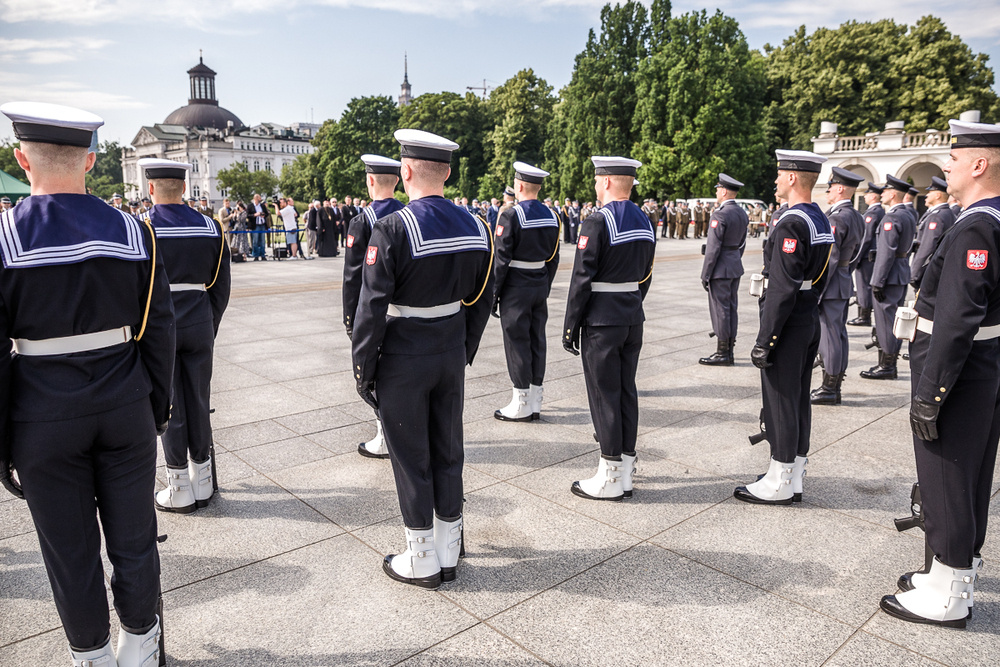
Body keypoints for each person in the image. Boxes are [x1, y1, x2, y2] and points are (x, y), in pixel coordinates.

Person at [0, 101, 174, 667]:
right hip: (125, 401)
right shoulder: (134, 229)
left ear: (22, 159)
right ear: (92, 162)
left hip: (41, 412)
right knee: (135, 538)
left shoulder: (4, 236)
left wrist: (4, 440)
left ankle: (92, 655)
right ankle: (141, 646)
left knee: (69, 552)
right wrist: (155, 407)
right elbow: (158, 329)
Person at [352, 129, 493, 589]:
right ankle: (450, 547)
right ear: (448, 172)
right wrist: (464, 348)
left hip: (404, 353)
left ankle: (422, 557)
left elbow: (371, 307)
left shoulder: (391, 228)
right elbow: (482, 297)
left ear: (406, 171)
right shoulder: (477, 225)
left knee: (411, 457)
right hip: (451, 346)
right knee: (448, 450)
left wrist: (364, 369)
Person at [879, 117, 1000, 628]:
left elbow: (956, 319)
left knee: (946, 472)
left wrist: (932, 392)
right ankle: (958, 569)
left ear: (979, 163)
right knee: (970, 473)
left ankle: (949, 592)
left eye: (953, 157)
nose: (945, 164)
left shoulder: (976, 224)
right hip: (983, 363)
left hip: (959, 365)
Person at [736, 149, 833, 505]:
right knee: (797, 400)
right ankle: (792, 474)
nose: (776, 180)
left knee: (780, 400)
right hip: (808, 315)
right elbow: (820, 276)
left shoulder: (792, 222)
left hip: (789, 322)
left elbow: (782, 286)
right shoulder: (818, 218)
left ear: (792, 178)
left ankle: (779, 478)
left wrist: (767, 338)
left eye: (780, 174)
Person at [137, 158, 231, 514]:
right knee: (199, 399)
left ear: (151, 189)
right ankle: (203, 479)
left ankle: (179, 487)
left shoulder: (142, 228)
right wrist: (209, 324)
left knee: (170, 403)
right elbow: (220, 286)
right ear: (184, 187)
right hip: (199, 320)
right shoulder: (211, 227)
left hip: (161, 326)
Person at [563, 156, 655, 501]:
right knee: (626, 391)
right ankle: (626, 467)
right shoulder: (645, 220)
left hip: (602, 320)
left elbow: (581, 280)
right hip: (632, 315)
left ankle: (611, 472)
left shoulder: (597, 222)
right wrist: (631, 302)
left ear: (605, 182)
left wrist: (571, 325)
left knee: (604, 395)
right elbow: (646, 274)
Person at [343, 154, 405, 459]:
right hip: (402, 312)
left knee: (373, 373)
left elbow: (353, 276)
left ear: (370, 181)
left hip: (371, 310)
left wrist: (349, 319)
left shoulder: (362, 220)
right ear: (397, 181)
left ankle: (384, 436)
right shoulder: (407, 215)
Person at [492, 161, 561, 422]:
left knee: (517, 341)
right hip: (539, 283)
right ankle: (535, 398)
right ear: (539, 187)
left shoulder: (511, 215)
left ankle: (520, 401)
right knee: (537, 339)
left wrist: (494, 295)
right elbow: (553, 257)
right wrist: (545, 283)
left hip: (516, 286)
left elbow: (501, 259)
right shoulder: (552, 215)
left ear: (519, 186)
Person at [811, 167, 866, 405]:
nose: (828, 191)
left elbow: (829, 258)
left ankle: (829, 388)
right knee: (839, 334)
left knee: (830, 336)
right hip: (843, 281)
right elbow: (856, 254)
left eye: (830, 187)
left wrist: (817, 288)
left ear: (841, 188)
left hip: (831, 285)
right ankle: (835, 383)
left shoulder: (836, 217)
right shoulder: (855, 215)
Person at [860, 175, 916, 380]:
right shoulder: (908, 214)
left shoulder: (892, 217)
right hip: (899, 272)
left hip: (889, 275)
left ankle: (887, 366)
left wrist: (877, 281)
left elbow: (886, 252)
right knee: (892, 321)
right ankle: (888, 363)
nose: (881, 194)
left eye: (885, 191)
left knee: (886, 321)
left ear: (893, 194)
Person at [699, 174, 748, 366]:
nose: (716, 192)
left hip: (720, 268)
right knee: (731, 308)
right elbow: (742, 243)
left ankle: (722, 353)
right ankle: (729, 349)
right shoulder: (742, 213)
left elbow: (713, 248)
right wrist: (734, 258)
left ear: (725, 191)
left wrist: (706, 274)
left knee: (720, 309)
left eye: (718, 189)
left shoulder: (720, 214)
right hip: (734, 264)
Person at [848, 183, 885, 327]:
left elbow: (866, 237)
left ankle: (864, 316)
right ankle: (864, 314)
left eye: (867, 194)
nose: (865, 196)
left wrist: (856, 256)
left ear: (874, 196)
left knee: (863, 286)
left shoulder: (873, 213)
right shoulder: (879, 211)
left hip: (865, 257)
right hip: (871, 255)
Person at [909, 176, 956, 290]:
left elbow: (927, 246)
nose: (926, 195)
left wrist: (914, 273)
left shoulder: (936, 216)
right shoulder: (948, 213)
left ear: (938, 195)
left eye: (930, 192)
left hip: (929, 269)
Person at [248, 194, 268, 260]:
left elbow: (267, 213)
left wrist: (264, 215)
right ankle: (255, 255)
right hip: (255, 225)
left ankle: (262, 255)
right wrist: (255, 215)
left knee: (262, 241)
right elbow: (247, 215)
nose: (261, 199)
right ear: (256, 199)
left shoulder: (262, 205)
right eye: (259, 198)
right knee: (255, 241)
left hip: (262, 224)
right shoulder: (250, 206)